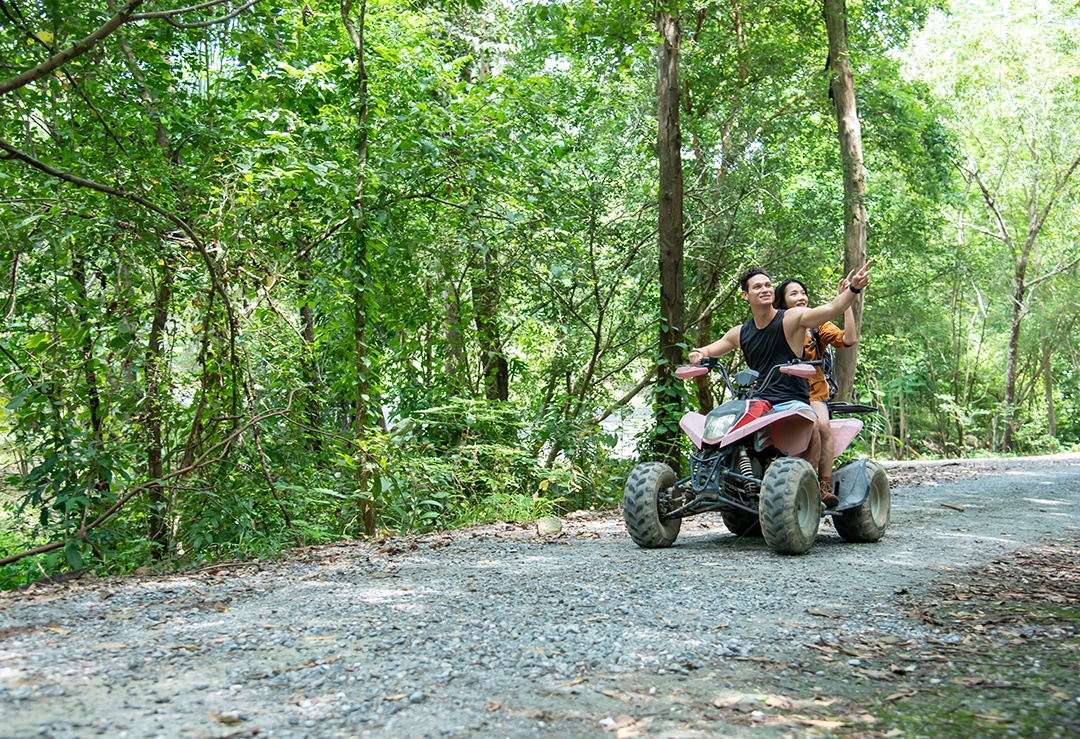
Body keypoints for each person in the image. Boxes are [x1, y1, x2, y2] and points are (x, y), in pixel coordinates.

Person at [687, 262, 872, 506]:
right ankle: (709, 479)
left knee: (814, 426)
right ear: (746, 295)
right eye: (757, 287)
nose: (764, 289)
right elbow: (711, 348)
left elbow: (831, 309)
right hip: (757, 402)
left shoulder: (792, 318)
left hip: (791, 401)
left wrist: (853, 290)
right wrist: (698, 353)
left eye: (768, 285)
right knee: (719, 427)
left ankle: (807, 488)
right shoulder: (740, 332)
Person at [773, 277, 859, 506]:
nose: (801, 297)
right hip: (776, 389)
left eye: (803, 292)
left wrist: (846, 304)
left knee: (821, 426)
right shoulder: (774, 324)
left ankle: (822, 485)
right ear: (782, 302)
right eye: (794, 294)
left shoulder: (817, 324)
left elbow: (848, 339)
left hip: (811, 390)